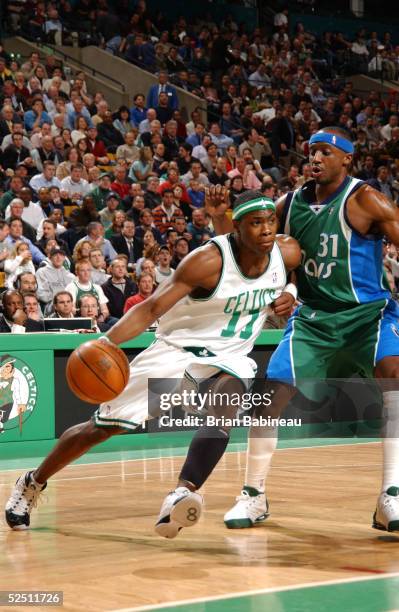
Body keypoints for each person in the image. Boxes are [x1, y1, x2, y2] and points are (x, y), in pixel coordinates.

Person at [4, 188, 301, 535]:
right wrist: (106, 341)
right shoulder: (207, 261)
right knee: (100, 428)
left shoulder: (286, 252)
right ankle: (33, 482)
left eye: (270, 222)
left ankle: (181, 494)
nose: (265, 230)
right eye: (255, 223)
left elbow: (299, 276)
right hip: (177, 349)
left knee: (228, 400)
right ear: (236, 228)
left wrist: (291, 294)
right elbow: (151, 308)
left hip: (231, 355)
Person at [209, 127, 399, 533]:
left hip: (368, 315)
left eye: (325, 152)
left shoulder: (366, 199)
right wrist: (290, 288)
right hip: (314, 318)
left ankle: (391, 496)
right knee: (269, 393)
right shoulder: (290, 203)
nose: (315, 158)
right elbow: (256, 247)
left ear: (347, 159)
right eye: (311, 152)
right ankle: (253, 494)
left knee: (395, 378)